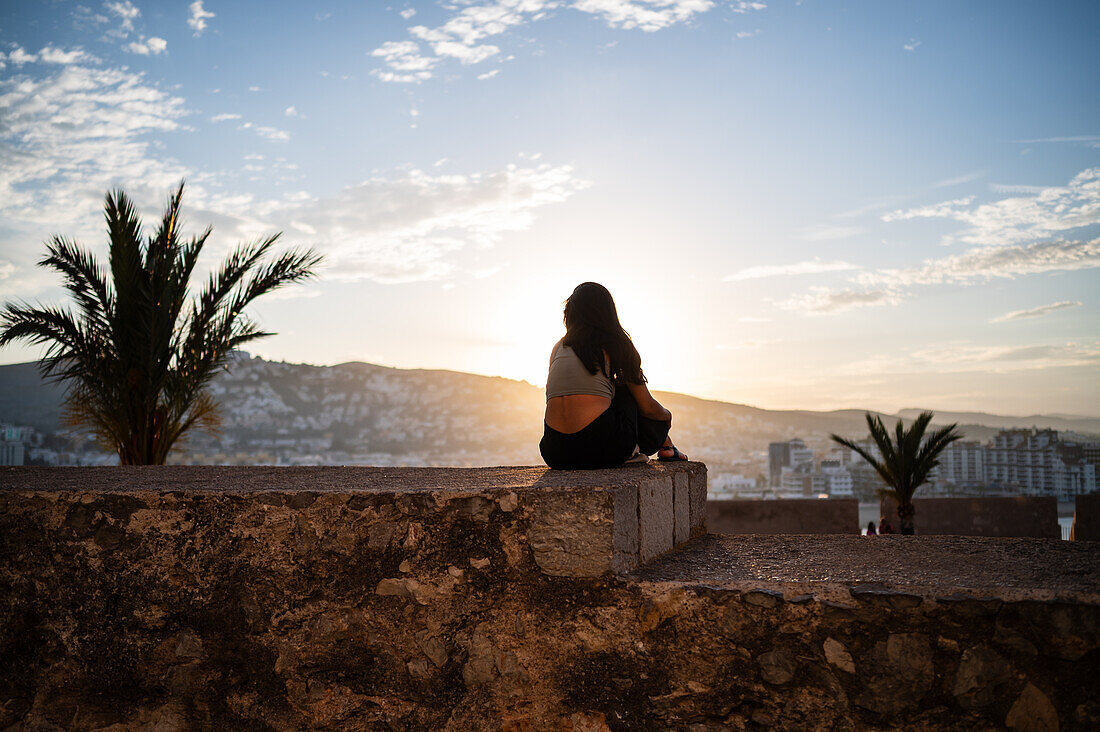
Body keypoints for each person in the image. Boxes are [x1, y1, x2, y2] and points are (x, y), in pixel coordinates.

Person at [540, 282, 688, 470]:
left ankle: (658, 445)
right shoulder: (617, 345)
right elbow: (648, 408)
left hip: (555, 453)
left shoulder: (558, 348)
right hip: (604, 450)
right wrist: (666, 418)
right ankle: (665, 446)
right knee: (625, 387)